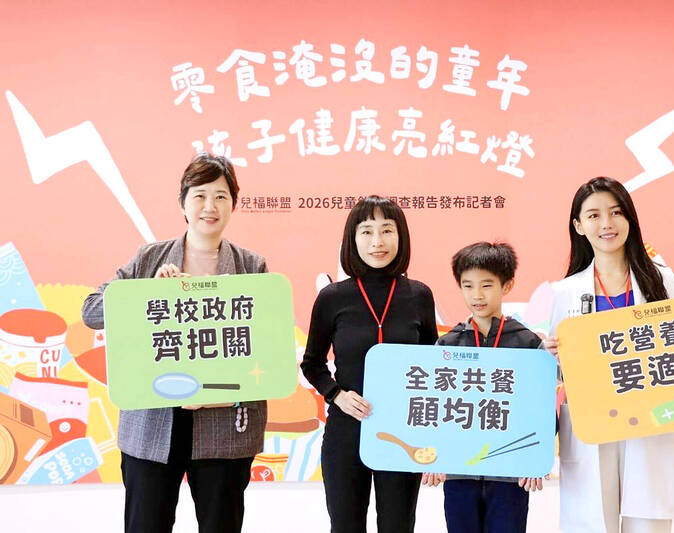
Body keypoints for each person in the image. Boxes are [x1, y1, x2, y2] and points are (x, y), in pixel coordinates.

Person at [82, 154, 266, 533]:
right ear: (182, 203)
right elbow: (91, 311)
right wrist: (149, 294)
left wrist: (219, 395)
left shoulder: (251, 268)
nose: (210, 206)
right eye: (199, 196)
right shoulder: (149, 259)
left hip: (222, 428)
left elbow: (266, 351)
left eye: (221, 196)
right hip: (152, 424)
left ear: (234, 204)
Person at [546, 177, 674, 533]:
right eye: (594, 215)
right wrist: (552, 353)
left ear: (630, 218)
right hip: (592, 422)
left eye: (616, 213)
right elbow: (560, 371)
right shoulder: (566, 291)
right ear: (579, 226)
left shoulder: (662, 281)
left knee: (649, 522)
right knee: (591, 522)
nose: (607, 224)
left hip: (650, 418)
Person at [301, 195, 438, 533]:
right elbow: (312, 363)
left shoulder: (419, 295)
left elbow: (434, 366)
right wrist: (337, 395)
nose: (378, 241)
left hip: (403, 431)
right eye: (367, 231)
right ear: (352, 239)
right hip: (347, 430)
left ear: (401, 236)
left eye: (387, 230)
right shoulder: (332, 297)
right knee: (345, 526)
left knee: (398, 525)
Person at [421, 241, 546, 533]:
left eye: (487, 285)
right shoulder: (448, 345)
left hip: (511, 475)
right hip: (459, 473)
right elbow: (434, 406)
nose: (476, 295)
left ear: (507, 285)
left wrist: (535, 460)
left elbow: (539, 408)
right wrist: (433, 454)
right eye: (468, 286)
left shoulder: (528, 343)